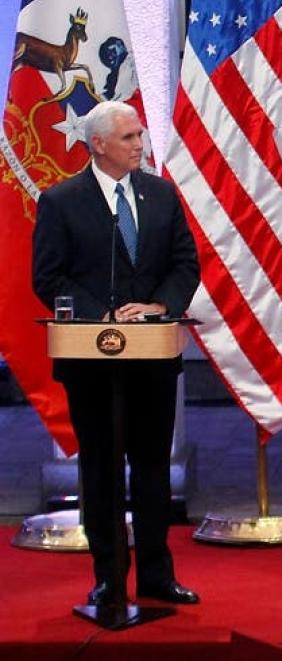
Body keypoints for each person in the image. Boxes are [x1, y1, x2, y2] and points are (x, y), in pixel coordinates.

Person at [32, 101, 201, 606]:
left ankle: (155, 575)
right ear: (99, 144)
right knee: (101, 468)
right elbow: (48, 277)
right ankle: (109, 575)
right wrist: (101, 315)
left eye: (139, 135)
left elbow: (185, 264)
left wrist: (159, 306)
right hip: (92, 361)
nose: (139, 145)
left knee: (152, 467)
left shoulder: (161, 194)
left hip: (152, 356)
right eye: (129, 137)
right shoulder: (61, 201)